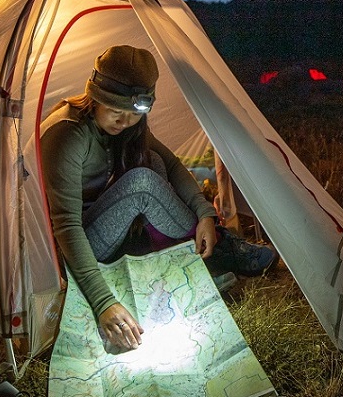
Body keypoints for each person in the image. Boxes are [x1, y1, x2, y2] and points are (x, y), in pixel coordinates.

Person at [39, 45, 278, 353]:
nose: (124, 122)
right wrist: (104, 303)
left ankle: (205, 244)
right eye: (115, 111)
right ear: (96, 97)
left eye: (132, 114)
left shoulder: (128, 127)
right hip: (74, 249)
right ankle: (220, 251)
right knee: (141, 182)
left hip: (108, 229)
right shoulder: (68, 134)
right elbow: (67, 226)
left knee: (153, 160)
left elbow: (174, 163)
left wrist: (205, 214)